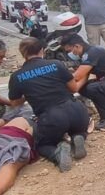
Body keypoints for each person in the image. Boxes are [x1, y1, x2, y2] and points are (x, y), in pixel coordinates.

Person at [8, 37, 90, 172]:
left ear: (22, 53)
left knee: (42, 144)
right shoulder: (56, 64)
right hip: (76, 110)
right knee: (79, 129)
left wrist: (27, 94)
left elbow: (14, 102)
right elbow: (74, 88)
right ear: (42, 50)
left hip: (52, 117)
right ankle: (78, 137)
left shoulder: (17, 76)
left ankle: (57, 153)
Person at [60, 34, 105, 130]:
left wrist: (59, 80)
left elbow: (77, 76)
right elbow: (84, 77)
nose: (69, 53)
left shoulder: (92, 53)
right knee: (84, 88)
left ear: (77, 46)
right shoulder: (85, 55)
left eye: (69, 50)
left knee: (92, 88)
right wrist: (75, 88)